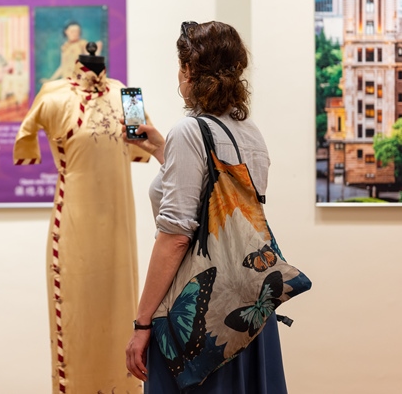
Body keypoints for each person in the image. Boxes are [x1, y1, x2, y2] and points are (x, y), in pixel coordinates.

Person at [123, 21, 287, 393]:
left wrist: (142, 323)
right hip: (246, 307)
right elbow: (216, 201)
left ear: (187, 70)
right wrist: (160, 148)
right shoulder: (250, 132)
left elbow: (177, 237)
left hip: (199, 314)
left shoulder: (189, 131)